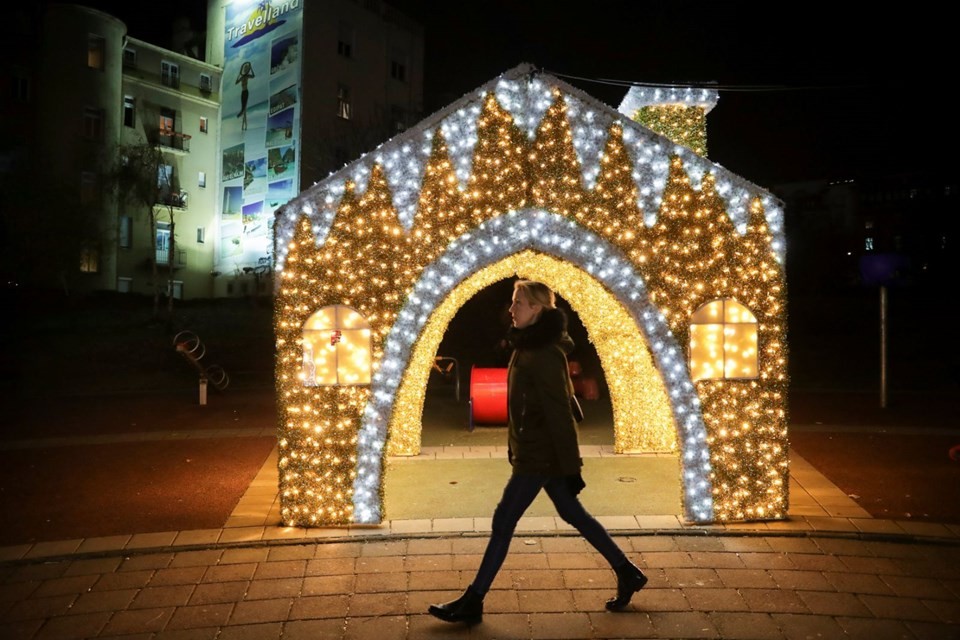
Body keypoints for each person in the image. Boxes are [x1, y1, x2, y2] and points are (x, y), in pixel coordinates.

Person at [428, 280, 648, 626]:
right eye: (513, 303)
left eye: (519, 303)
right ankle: (627, 571)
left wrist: (571, 466)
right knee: (573, 514)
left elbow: (560, 411)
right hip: (534, 451)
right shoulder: (528, 344)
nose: (511, 309)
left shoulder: (544, 353)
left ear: (538, 310)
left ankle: (474, 600)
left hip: (540, 455)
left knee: (503, 521)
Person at [235, 61, 255, 130]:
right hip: (242, 93)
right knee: (244, 110)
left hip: (246, 92)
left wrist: (251, 68)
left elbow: (253, 76)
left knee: (244, 109)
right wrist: (238, 75)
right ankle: (244, 126)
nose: (245, 69)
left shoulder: (247, 76)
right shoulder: (242, 77)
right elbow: (236, 82)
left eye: (246, 68)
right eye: (245, 68)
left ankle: (244, 126)